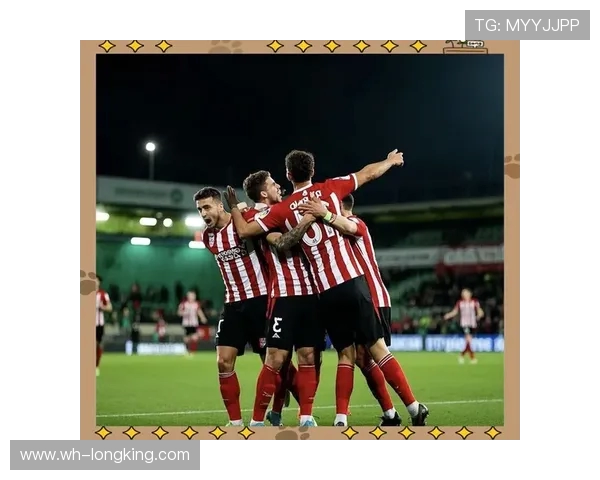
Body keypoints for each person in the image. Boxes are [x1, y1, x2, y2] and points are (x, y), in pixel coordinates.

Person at [225, 148, 429, 427]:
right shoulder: (331, 189)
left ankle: (340, 419)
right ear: (312, 170)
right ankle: (414, 409)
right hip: (352, 282)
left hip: (324, 292)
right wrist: (390, 161)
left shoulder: (281, 210)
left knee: (345, 354)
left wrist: (235, 207)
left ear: (288, 175)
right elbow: (368, 174)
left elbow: (245, 231)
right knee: (377, 349)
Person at [298, 193, 426, 426]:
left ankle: (410, 408)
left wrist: (324, 213)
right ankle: (391, 414)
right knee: (361, 359)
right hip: (355, 296)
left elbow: (343, 227)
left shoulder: (354, 223)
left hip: (372, 297)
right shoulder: (334, 230)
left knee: (374, 352)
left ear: (340, 206)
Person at [238, 170, 321, 427]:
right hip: (284, 295)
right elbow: (282, 242)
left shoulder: (284, 210)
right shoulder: (258, 217)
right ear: (264, 193)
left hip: (310, 293)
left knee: (309, 355)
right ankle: (256, 421)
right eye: (273, 184)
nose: (279, 187)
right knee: (275, 358)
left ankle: (305, 417)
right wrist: (308, 219)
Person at [444, 288, 484, 364]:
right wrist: (448, 315)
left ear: (470, 294)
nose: (464, 295)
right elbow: (455, 311)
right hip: (465, 324)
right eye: (463, 293)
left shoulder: (474, 302)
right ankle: (472, 358)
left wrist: (480, 314)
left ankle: (462, 355)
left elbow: (479, 310)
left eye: (465, 293)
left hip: (473, 323)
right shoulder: (460, 302)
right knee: (468, 339)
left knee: (468, 341)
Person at [177, 290, 208, 356]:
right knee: (187, 338)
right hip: (186, 324)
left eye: (193, 296)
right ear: (188, 296)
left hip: (194, 323)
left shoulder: (196, 304)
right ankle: (187, 350)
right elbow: (179, 313)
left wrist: (203, 318)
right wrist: (184, 313)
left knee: (195, 337)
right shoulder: (183, 304)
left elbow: (199, 311)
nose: (193, 297)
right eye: (191, 295)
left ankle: (192, 350)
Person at [95, 275, 112, 377]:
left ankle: (96, 366)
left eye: (97, 281)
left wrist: (102, 307)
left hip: (99, 324)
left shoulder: (103, 294)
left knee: (97, 345)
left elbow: (110, 307)